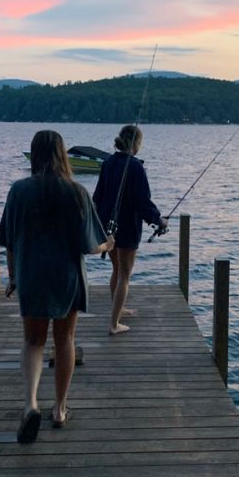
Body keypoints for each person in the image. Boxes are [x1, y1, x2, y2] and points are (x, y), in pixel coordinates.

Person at [0, 130, 114, 444]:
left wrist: (12, 278)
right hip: (67, 277)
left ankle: (30, 404)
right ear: (63, 154)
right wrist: (108, 245)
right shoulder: (76, 192)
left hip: (31, 275)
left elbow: (8, 241)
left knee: (33, 341)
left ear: (34, 155)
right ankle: (60, 409)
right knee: (65, 339)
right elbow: (91, 246)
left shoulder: (17, 191)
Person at [93, 124, 167, 335]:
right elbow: (142, 201)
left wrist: (98, 222)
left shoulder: (108, 163)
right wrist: (158, 220)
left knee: (116, 270)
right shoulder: (135, 167)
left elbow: (98, 197)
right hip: (127, 226)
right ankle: (114, 324)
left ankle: (118, 307)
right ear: (136, 143)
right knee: (125, 274)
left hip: (107, 227)